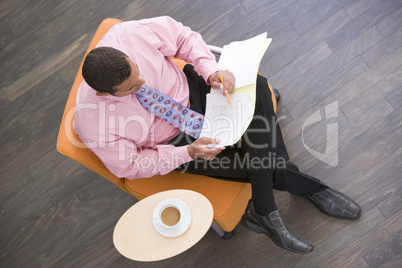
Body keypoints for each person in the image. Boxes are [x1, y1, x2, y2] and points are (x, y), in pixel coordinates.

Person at [74, 16, 361, 254]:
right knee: (262, 160)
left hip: (196, 94)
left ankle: (263, 208)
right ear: (104, 93)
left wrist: (211, 70)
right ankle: (307, 191)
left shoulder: (128, 34)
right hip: (178, 143)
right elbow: (130, 166)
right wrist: (187, 152)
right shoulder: (91, 121)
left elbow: (184, 38)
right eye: (132, 87)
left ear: (125, 55)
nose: (143, 82)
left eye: (138, 73)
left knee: (258, 85)